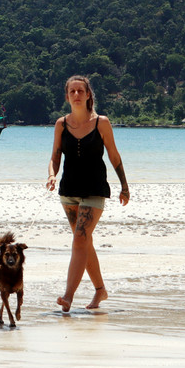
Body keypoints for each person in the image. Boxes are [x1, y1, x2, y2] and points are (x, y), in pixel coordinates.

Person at [46, 75, 130, 312]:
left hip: (94, 190)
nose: (76, 95)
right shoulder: (61, 124)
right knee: (83, 242)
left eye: (80, 91)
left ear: (88, 95)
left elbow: (113, 155)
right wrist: (52, 175)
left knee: (80, 240)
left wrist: (124, 186)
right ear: (67, 96)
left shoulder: (101, 122)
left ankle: (68, 296)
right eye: (72, 91)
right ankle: (100, 290)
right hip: (68, 191)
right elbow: (55, 156)